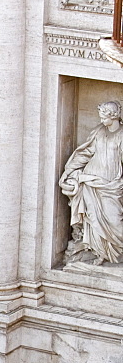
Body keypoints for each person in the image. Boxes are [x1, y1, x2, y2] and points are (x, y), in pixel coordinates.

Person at [60, 100, 123, 265]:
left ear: (114, 116)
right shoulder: (99, 131)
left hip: (111, 185)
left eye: (104, 117)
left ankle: (115, 252)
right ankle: (99, 252)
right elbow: (86, 153)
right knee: (93, 219)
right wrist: (69, 171)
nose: (102, 121)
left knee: (114, 220)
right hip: (91, 180)